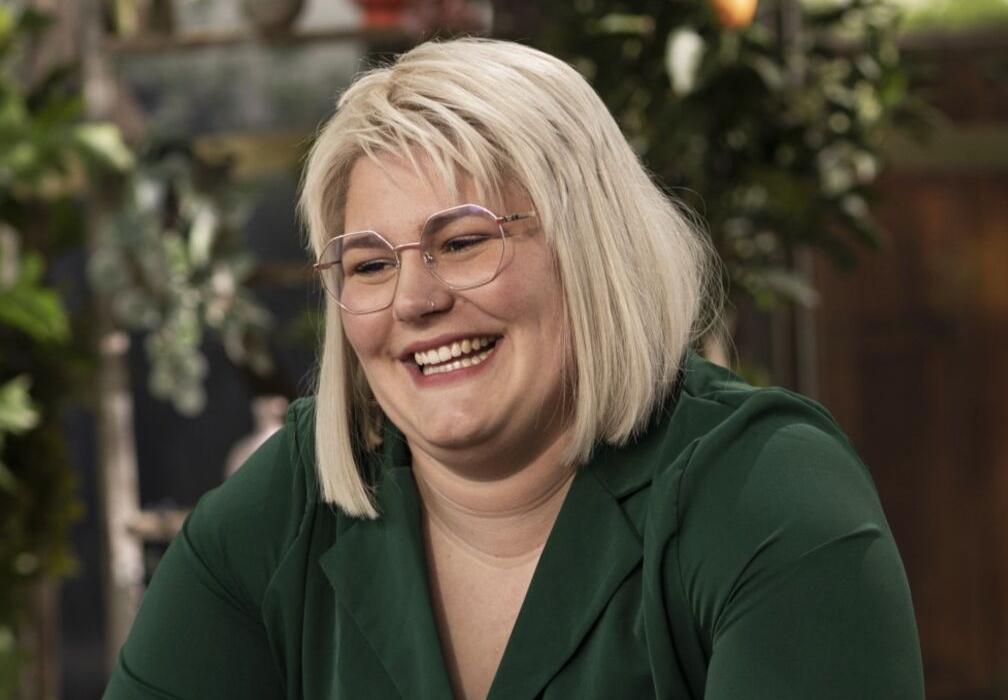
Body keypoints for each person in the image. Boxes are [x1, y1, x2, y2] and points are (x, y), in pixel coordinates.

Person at [103, 38, 924, 700]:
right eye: (369, 265)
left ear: (594, 249)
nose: (414, 300)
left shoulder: (766, 490)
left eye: (463, 242)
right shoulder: (294, 495)